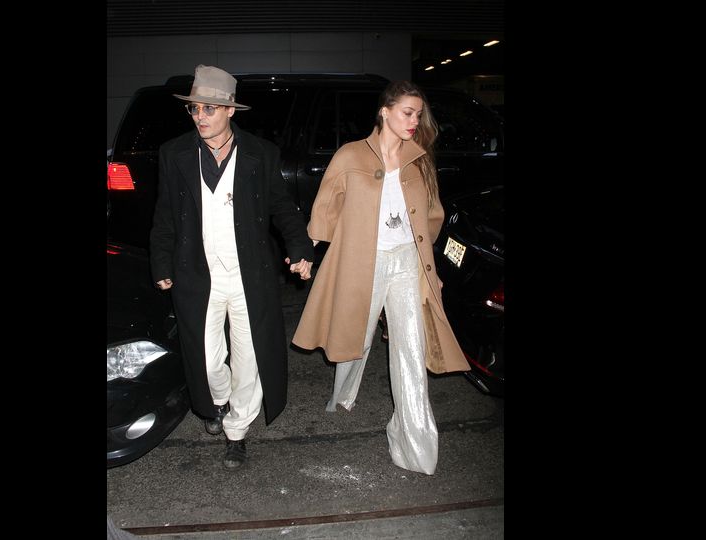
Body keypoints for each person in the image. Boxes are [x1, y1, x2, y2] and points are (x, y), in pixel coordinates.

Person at [292, 80, 470, 476]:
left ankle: (414, 444)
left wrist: (429, 270)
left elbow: (432, 214)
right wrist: (308, 252)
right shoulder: (350, 155)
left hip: (407, 261)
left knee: (410, 349)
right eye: (408, 112)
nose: (414, 121)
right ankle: (344, 393)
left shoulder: (419, 159)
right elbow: (325, 209)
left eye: (419, 114)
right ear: (385, 111)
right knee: (356, 331)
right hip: (363, 261)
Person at [150, 64, 314, 470]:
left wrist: (300, 246)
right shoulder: (175, 154)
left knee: (249, 357)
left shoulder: (260, 153)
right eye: (194, 110)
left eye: (208, 109)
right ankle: (218, 401)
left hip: (248, 275)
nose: (200, 117)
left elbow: (280, 207)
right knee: (204, 360)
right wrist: (161, 261)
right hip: (196, 272)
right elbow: (165, 215)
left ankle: (237, 431)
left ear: (230, 111)